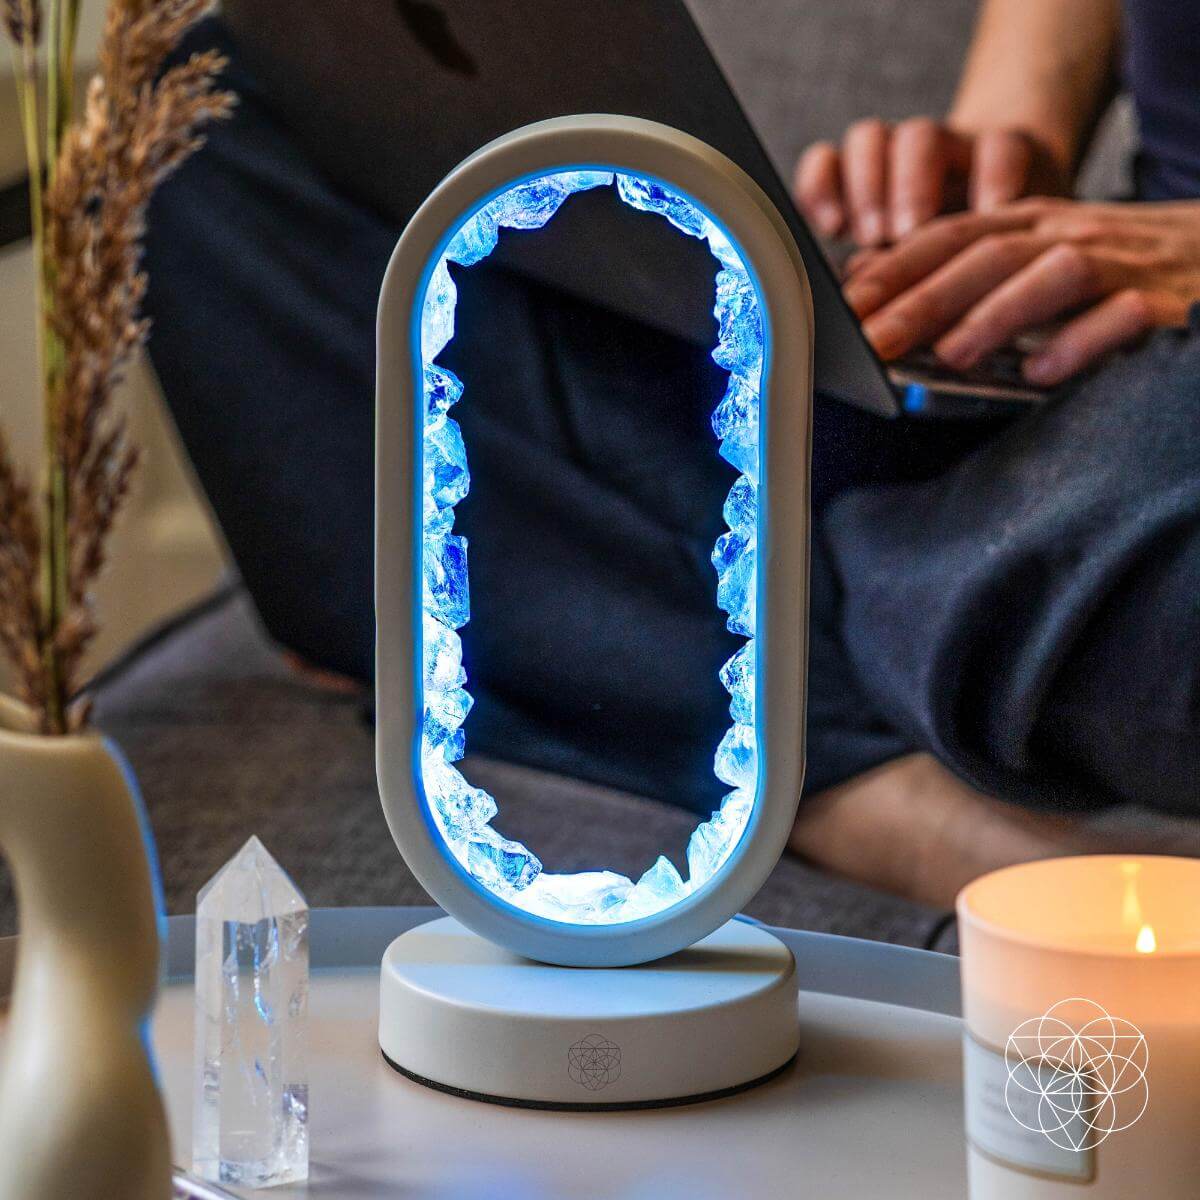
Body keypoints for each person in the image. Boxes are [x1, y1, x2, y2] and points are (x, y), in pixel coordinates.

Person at [141, 1, 1198, 914]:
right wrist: (1009, 147)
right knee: (192, 128)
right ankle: (828, 748)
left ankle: (757, 697)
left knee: (1012, 591)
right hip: (1092, 318)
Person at [786, 0, 1200, 904]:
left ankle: (792, 746)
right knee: (478, 333)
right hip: (1127, 286)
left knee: (1024, 594)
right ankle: (897, 805)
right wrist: (1009, 147)